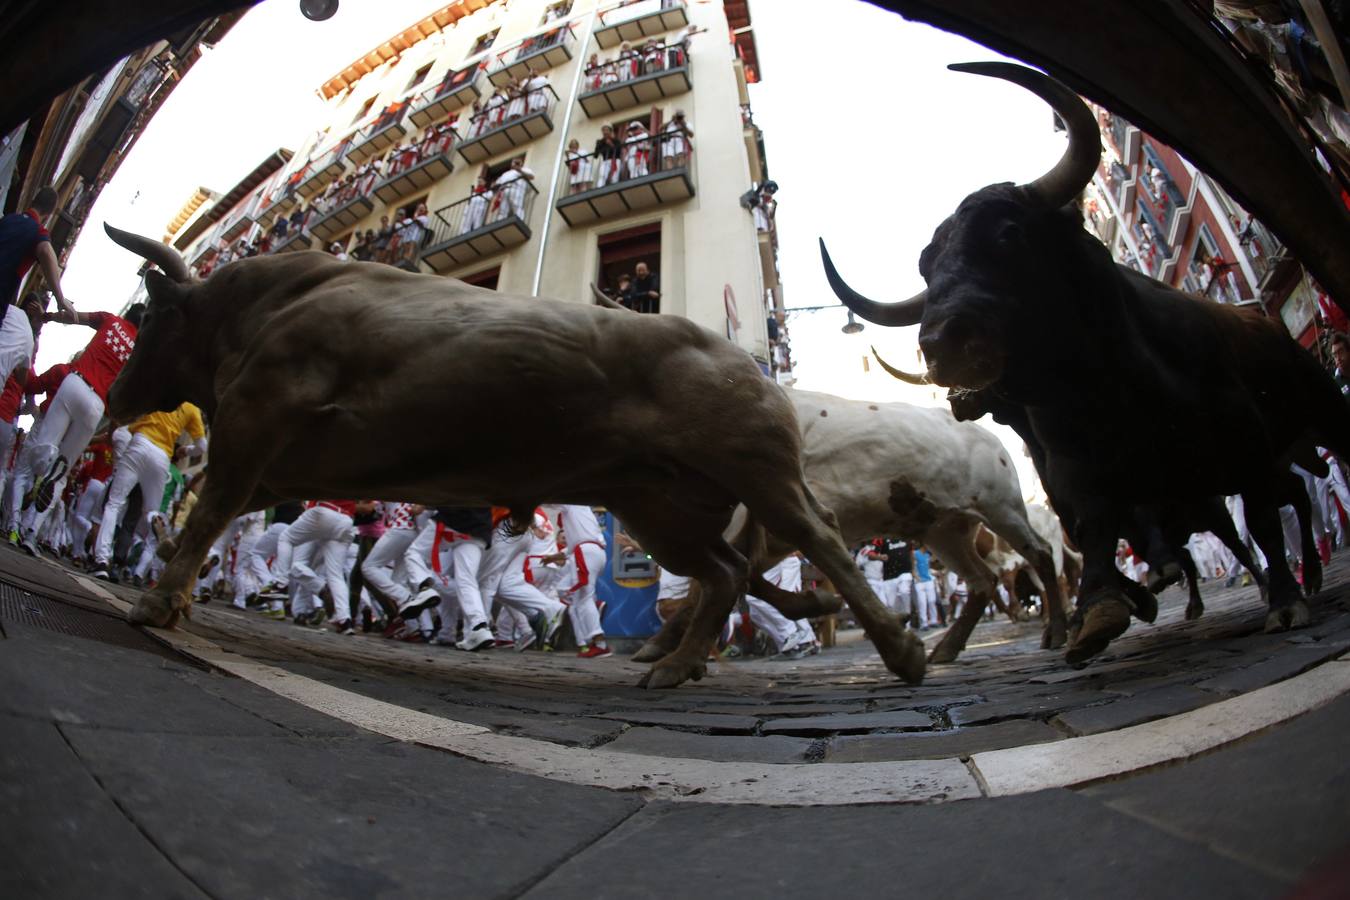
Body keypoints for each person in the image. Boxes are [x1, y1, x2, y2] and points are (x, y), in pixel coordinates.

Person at [8, 304, 142, 551]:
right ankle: (30, 533)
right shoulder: (137, 353)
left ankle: (41, 472)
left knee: (44, 446)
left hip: (75, 384)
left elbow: (74, 317)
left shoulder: (109, 320)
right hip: (96, 405)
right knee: (63, 467)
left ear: (127, 316)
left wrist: (48, 317)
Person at [89, 401, 206, 580]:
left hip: (140, 443)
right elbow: (202, 447)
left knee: (114, 503)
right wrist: (184, 450)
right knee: (153, 514)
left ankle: (102, 560)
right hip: (162, 457)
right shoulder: (192, 408)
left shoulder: (160, 385)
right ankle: (174, 549)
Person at [539, 504, 612, 658]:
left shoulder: (572, 504)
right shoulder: (582, 511)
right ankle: (592, 621)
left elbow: (547, 498)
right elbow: (574, 546)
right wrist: (553, 557)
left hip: (585, 553)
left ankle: (599, 644)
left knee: (582, 599)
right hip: (592, 553)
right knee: (568, 593)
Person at [0, 186, 75, 310]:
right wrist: (60, 298)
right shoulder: (38, 231)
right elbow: (46, 251)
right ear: (48, 214)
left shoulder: (8, 219)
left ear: (33, 201)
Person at [491, 158, 535, 222]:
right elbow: (497, 183)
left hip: (516, 189)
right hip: (504, 190)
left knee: (517, 205)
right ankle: (500, 221)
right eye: (514, 162)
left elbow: (532, 176)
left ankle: (519, 220)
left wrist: (519, 170)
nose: (515, 163)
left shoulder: (525, 169)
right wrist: (494, 184)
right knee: (503, 209)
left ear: (521, 163)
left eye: (517, 162)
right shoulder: (506, 174)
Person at [913, 543, 938, 628]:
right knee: (922, 602)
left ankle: (933, 620)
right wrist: (916, 576)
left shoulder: (927, 555)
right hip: (919, 581)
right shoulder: (914, 553)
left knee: (932, 600)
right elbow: (912, 567)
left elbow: (930, 564)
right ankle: (924, 623)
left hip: (928, 580)